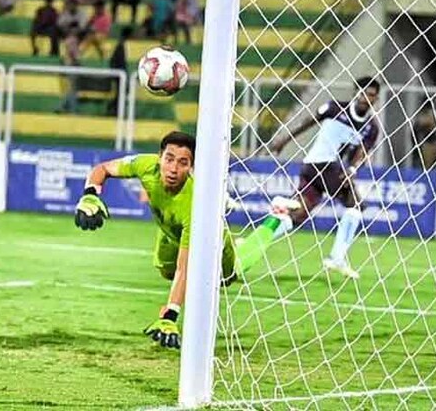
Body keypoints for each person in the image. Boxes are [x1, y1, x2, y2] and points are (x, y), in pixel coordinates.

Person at [74, 131, 238, 349]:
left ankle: (271, 225)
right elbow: (102, 169)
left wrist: (170, 315)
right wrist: (90, 194)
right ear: (160, 157)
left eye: (183, 163)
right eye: (169, 159)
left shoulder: (194, 206)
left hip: (214, 241)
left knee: (225, 280)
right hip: (170, 234)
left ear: (191, 167)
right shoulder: (146, 165)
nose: (173, 168)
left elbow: (184, 267)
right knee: (166, 272)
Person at [242, 77, 384, 279]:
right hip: (321, 164)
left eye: (370, 95)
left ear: (376, 99)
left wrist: (352, 169)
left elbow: (362, 153)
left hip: (321, 169)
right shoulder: (334, 108)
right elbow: (307, 122)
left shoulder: (371, 128)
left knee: (298, 214)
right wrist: (284, 139)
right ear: (355, 92)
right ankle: (337, 258)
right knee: (356, 205)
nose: (365, 98)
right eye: (362, 93)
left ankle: (254, 241)